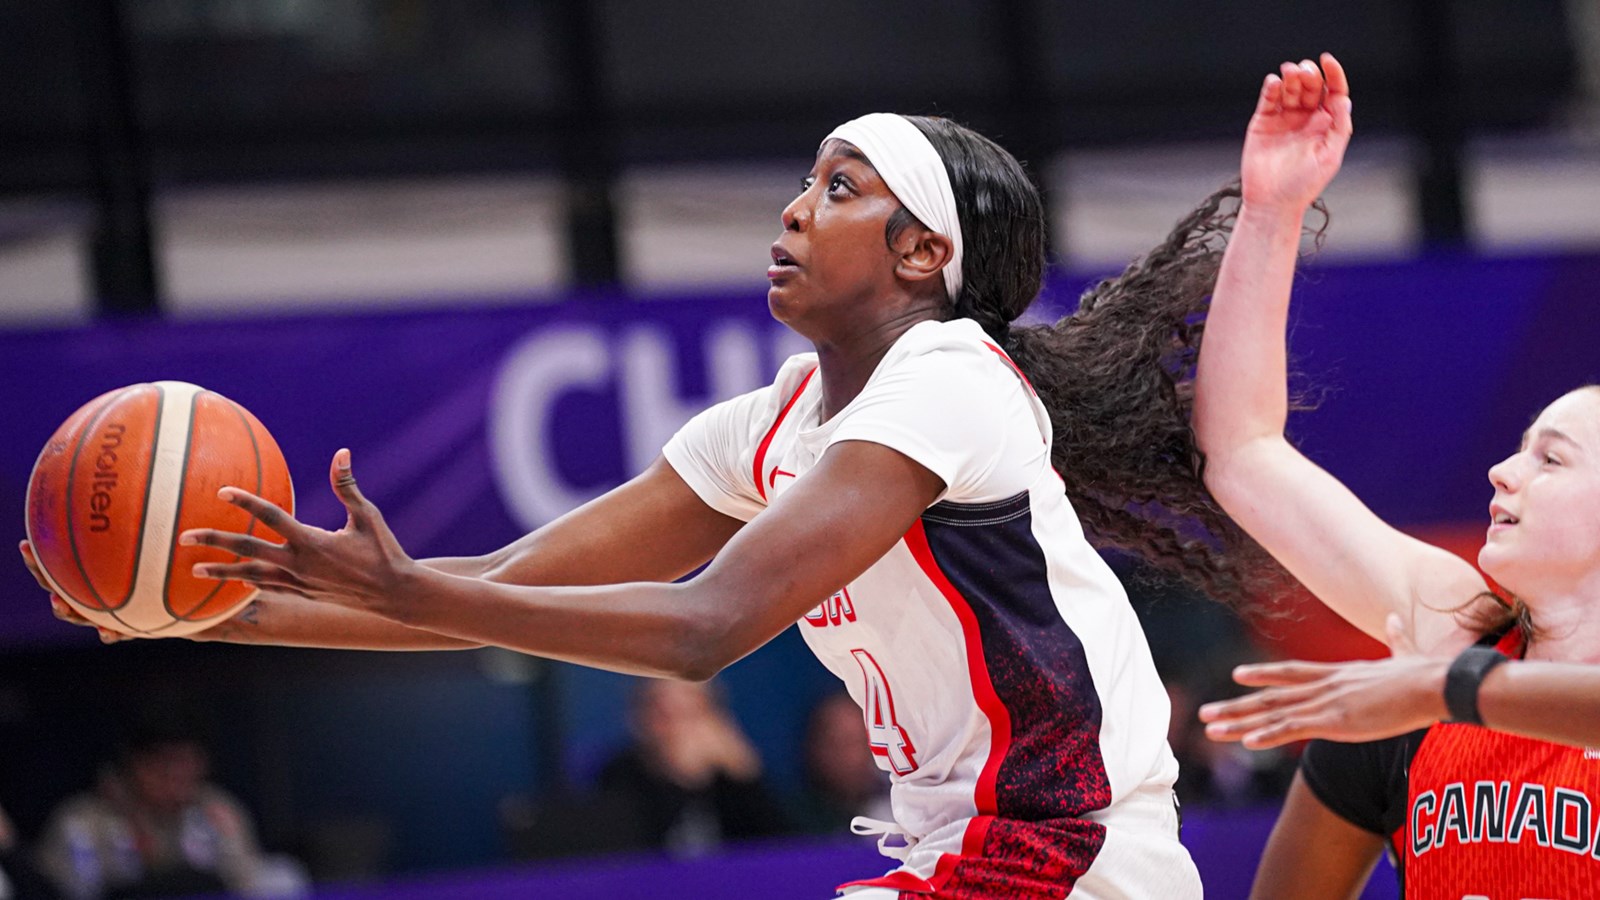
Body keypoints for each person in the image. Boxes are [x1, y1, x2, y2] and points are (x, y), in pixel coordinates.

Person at [25, 94, 1284, 897]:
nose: (794, 208)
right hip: (961, 859)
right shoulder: (772, 423)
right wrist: (209, 613)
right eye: (806, 179)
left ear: (922, 255)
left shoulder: (951, 378)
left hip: (1067, 855)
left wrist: (400, 583)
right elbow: (496, 596)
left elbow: (703, 627)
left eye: (841, 189)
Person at [1189, 53, 1600, 898]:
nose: (1503, 470)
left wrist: (1441, 686)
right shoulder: (1457, 625)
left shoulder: (1447, 668)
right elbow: (1241, 449)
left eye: (1550, 457)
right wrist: (1272, 210)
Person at [33, 723, 307, 900]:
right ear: (133, 765)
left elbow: (246, 879)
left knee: (285, 874)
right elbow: (59, 889)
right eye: (163, 764)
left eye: (187, 763)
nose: (176, 775)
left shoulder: (217, 807)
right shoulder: (83, 818)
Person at [597, 679, 791, 856]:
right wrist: (680, 781)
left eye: (690, 711)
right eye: (663, 713)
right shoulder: (620, 774)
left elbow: (783, 850)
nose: (678, 727)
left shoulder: (732, 776)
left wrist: (746, 777)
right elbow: (627, 853)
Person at [793, 692, 893, 835]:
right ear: (815, 747)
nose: (850, 755)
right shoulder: (794, 819)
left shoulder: (901, 810)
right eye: (837, 742)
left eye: (858, 742)